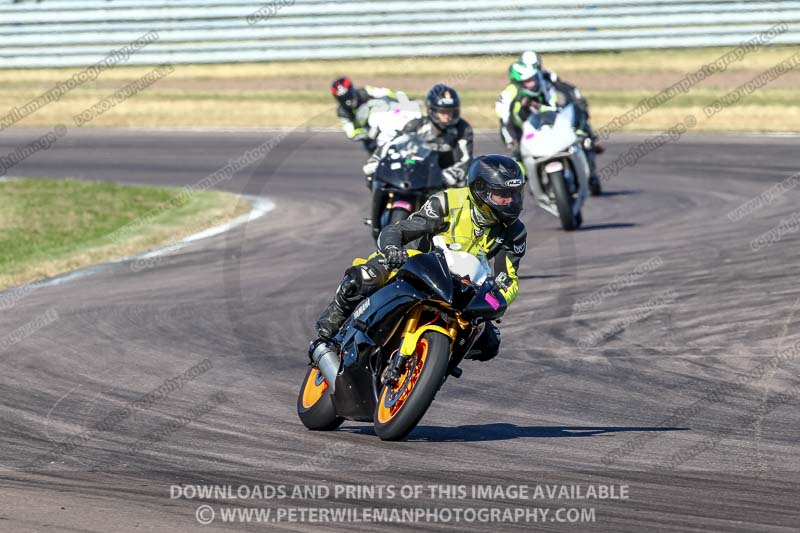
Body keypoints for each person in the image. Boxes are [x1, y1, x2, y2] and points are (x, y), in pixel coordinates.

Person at [313, 155, 526, 377]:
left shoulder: (515, 232)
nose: (510, 201)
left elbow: (508, 277)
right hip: (416, 262)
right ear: (481, 191)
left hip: (462, 284)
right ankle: (330, 327)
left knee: (490, 342)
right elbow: (401, 229)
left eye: (514, 194)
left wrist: (497, 298)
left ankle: (437, 365)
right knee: (364, 277)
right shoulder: (448, 201)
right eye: (502, 195)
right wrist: (393, 250)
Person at [498, 51, 604, 186]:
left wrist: (578, 103)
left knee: (582, 131)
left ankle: (589, 165)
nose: (534, 78)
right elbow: (504, 120)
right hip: (521, 127)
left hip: (547, 116)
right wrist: (512, 140)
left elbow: (566, 90)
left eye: (537, 69)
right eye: (529, 79)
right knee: (518, 156)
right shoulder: (508, 94)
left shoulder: (546, 77)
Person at [331, 76, 397, 153]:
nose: (347, 101)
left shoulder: (365, 91)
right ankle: (408, 162)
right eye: (342, 99)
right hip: (371, 136)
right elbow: (350, 132)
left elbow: (385, 92)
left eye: (348, 96)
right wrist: (367, 133)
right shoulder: (342, 112)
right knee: (386, 156)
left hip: (387, 119)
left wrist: (399, 98)